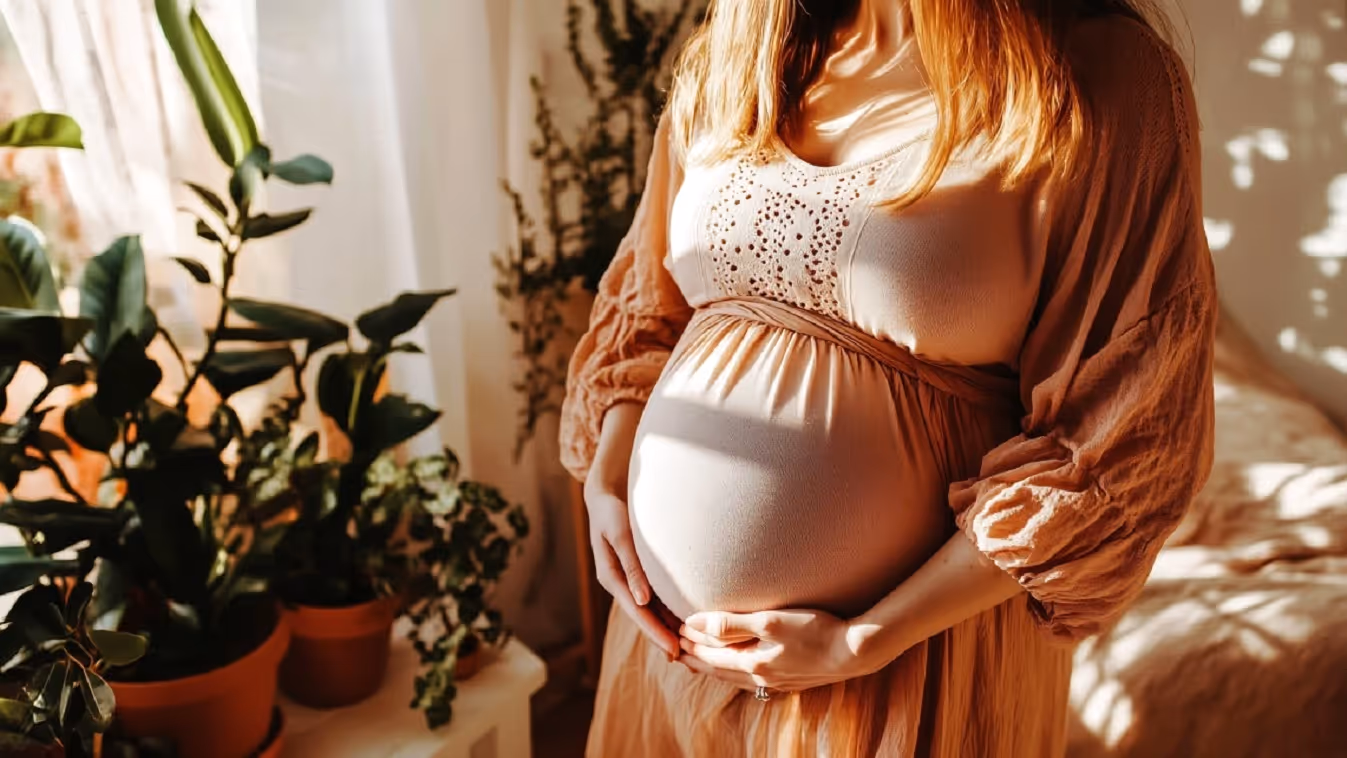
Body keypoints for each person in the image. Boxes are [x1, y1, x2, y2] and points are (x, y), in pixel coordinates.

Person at [559, 0, 1216, 755]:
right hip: (666, 653)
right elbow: (649, 305)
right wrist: (607, 478)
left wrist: (862, 641)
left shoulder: (1096, 76)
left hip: (915, 661)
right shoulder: (737, 52)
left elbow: (1121, 423)